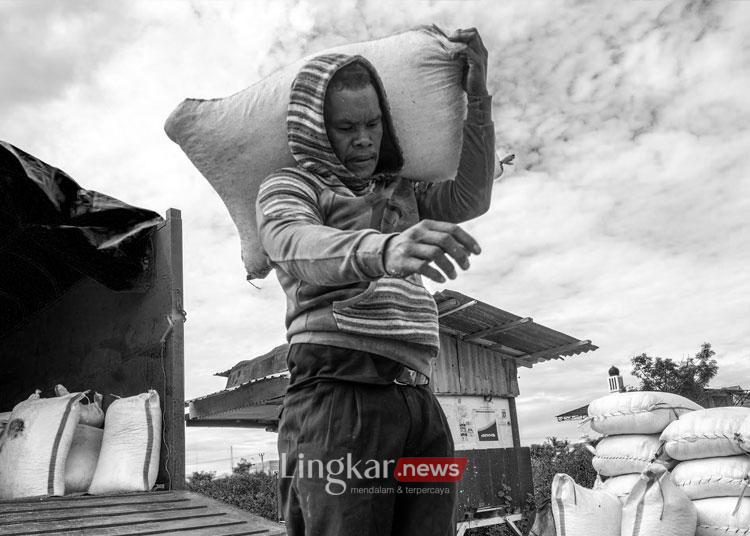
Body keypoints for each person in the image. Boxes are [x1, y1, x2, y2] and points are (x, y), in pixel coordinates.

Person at [257, 28, 495, 536]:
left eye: (372, 123)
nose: (363, 139)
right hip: (339, 399)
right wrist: (385, 249)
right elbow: (291, 241)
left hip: (420, 402)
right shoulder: (290, 185)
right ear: (316, 129)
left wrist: (477, 96)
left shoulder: (401, 191)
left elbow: (471, 197)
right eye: (345, 127)